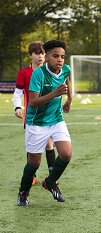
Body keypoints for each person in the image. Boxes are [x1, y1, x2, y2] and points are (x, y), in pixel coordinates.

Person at [17, 40, 72, 206]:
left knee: (66, 154)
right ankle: (23, 192)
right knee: (34, 163)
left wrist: (69, 99)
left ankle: (50, 182)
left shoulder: (66, 69)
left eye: (62, 56)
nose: (60, 60)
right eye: (55, 56)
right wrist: (56, 93)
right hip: (37, 122)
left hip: (56, 118)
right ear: (47, 56)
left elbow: (67, 82)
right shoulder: (38, 74)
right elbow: (33, 102)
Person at [13, 41, 56, 186]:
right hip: (31, 117)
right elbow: (18, 93)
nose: (41, 56)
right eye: (37, 53)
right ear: (30, 55)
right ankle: (32, 175)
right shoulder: (24, 73)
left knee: (49, 144)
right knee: (32, 147)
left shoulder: (49, 72)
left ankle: (53, 176)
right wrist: (18, 107)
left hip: (48, 115)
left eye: (43, 53)